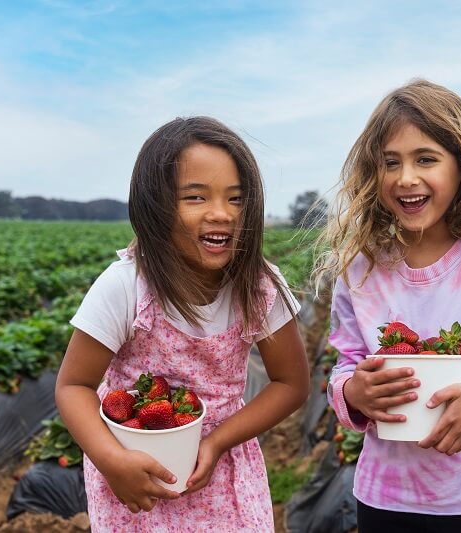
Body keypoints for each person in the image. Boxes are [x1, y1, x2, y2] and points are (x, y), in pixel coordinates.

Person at [314, 79, 461, 532]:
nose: (406, 178)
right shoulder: (362, 266)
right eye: (391, 163)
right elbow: (345, 365)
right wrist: (353, 394)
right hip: (384, 491)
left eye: (425, 159)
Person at [55, 116, 309, 531]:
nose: (221, 213)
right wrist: (111, 460)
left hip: (223, 467)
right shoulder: (126, 287)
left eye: (236, 198)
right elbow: (73, 386)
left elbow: (291, 384)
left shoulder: (258, 286)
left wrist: (217, 441)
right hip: (137, 472)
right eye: (195, 197)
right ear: (156, 207)